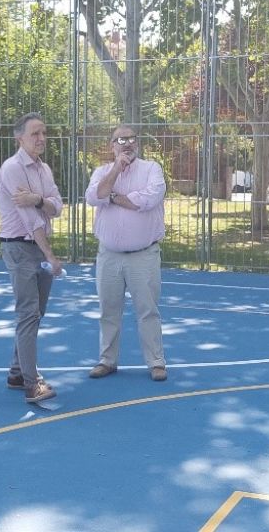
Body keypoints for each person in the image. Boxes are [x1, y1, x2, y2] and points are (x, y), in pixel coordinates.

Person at [85, 125, 167, 381]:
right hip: (109, 256)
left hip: (144, 255)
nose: (127, 144)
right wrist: (116, 171)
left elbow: (146, 200)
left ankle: (156, 362)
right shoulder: (102, 172)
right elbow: (94, 196)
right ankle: (107, 360)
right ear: (112, 146)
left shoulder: (152, 169)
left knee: (148, 311)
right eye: (121, 140)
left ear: (137, 143)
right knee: (108, 311)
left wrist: (112, 197)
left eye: (131, 139)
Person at [0, 112, 64, 403]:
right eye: (35, 133)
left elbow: (57, 206)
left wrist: (37, 199)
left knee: (36, 313)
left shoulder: (43, 169)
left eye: (44, 133)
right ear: (19, 138)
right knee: (28, 313)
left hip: (37, 248)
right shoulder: (12, 168)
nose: (41, 138)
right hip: (19, 247)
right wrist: (51, 255)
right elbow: (30, 220)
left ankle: (16, 372)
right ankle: (31, 383)